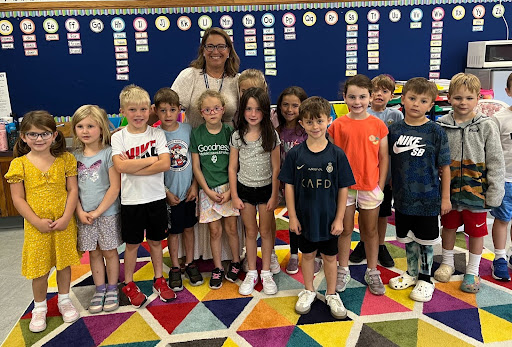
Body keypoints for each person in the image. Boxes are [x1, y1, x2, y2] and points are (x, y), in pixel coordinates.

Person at [279, 96, 355, 319]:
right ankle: (309, 290)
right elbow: (289, 187)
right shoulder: (295, 155)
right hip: (305, 217)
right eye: (309, 122)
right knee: (308, 255)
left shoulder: (337, 154)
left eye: (320, 121)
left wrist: (340, 218)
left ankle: (332, 294)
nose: (315, 126)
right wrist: (292, 216)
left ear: (329, 120)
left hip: (330, 217)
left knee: (331, 258)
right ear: (301, 123)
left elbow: (343, 189)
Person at [5, 111, 81, 332]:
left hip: (64, 223)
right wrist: (36, 221)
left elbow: (73, 189)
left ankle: (64, 299)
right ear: (23, 137)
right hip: (36, 227)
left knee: (64, 263)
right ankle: (39, 307)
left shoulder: (66, 159)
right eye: (33, 134)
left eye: (44, 134)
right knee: (39, 269)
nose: (39, 139)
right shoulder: (19, 164)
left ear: (55, 135)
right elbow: (18, 198)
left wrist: (67, 216)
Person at [435, 73, 505, 293]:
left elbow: (495, 160)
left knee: (476, 232)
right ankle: (447, 263)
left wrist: (495, 191)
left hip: (477, 191)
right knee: (448, 226)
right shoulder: (441, 125)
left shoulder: (487, 126)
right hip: (449, 190)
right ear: (448, 98)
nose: (462, 103)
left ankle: (472, 270)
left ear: (477, 99)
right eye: (457, 98)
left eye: (468, 98)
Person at [387, 78, 451, 302]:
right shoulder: (393, 130)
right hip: (403, 198)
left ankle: (426, 278)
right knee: (408, 239)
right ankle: (412, 273)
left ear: (431, 105)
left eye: (423, 101)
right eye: (412, 98)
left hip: (428, 198)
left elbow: (445, 167)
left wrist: (445, 198)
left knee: (426, 241)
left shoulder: (435, 131)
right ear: (402, 99)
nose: (416, 104)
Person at [111, 85, 176, 307]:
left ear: (150, 110)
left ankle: (159, 278)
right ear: (122, 111)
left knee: (156, 242)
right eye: (132, 110)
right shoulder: (119, 138)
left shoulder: (157, 134)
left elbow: (165, 164)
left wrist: (132, 166)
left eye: (142, 109)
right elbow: (119, 167)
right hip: (131, 201)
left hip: (156, 198)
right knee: (132, 244)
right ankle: (128, 283)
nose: (138, 114)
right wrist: (151, 160)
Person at [328, 74, 389, 295]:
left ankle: (372, 270)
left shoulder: (378, 125)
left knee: (370, 231)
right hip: (345, 188)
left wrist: (380, 186)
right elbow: (332, 157)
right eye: (352, 97)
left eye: (362, 97)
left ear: (371, 97)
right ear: (344, 98)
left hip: (370, 186)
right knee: (344, 230)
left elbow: (383, 157)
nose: (357, 102)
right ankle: (342, 269)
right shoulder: (337, 125)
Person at [229, 87, 280, 295]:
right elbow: (232, 168)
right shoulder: (237, 136)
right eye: (249, 109)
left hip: (266, 189)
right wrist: (234, 194)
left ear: (265, 111)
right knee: (250, 232)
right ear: (242, 111)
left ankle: (266, 271)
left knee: (266, 232)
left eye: (258, 109)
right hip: (244, 190)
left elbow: (277, 168)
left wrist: (275, 194)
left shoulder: (271, 135)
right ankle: (252, 271)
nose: (252, 114)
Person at [72, 105, 122, 313]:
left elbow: (114, 187)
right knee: (93, 253)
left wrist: (98, 211)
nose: (85, 131)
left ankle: (112, 287)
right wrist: (80, 211)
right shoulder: (73, 157)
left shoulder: (110, 154)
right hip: (85, 215)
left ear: (101, 128)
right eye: (80, 126)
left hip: (107, 214)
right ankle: (99, 288)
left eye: (90, 126)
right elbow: (72, 189)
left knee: (110, 252)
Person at [350, 74, 403, 268]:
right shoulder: (362, 113)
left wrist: (391, 177)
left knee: (382, 214)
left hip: (384, 176)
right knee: (363, 213)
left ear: (392, 95)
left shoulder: (395, 116)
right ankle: (364, 243)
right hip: (363, 176)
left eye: (385, 91)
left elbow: (396, 147)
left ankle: (380, 245)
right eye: (376, 91)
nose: (380, 94)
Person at [153, 88, 203, 290]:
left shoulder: (188, 130)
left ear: (179, 110)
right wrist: (165, 193)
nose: (168, 115)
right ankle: (175, 267)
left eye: (172, 110)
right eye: (163, 110)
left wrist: (195, 186)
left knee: (190, 229)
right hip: (168, 194)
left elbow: (196, 162)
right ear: (155, 111)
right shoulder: (155, 134)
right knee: (173, 233)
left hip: (189, 192)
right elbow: (154, 169)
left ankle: (190, 263)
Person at [191, 90, 240, 289]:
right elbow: (196, 167)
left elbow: (235, 165)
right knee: (214, 231)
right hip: (207, 191)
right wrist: (207, 191)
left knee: (231, 229)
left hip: (229, 188)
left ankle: (236, 262)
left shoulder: (230, 132)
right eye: (207, 109)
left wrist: (230, 191)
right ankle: (218, 267)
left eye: (216, 108)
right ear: (201, 112)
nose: (212, 112)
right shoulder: (197, 134)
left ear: (223, 110)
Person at [275, 86, 314, 275]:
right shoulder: (277, 130)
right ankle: (293, 254)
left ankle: (314, 255)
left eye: (295, 106)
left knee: (310, 220)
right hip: (287, 184)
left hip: (307, 185)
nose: (289, 110)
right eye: (285, 105)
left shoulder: (307, 131)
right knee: (293, 219)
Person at [172, 27, 240, 129]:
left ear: (228, 51)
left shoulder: (237, 80)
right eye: (210, 46)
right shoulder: (189, 76)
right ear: (203, 50)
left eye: (221, 46)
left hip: (229, 142)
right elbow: (168, 108)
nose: (215, 51)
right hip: (195, 142)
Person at [490, 72, 512, 281]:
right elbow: (492, 151)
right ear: (508, 92)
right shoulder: (499, 119)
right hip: (505, 179)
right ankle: (499, 257)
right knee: (502, 219)